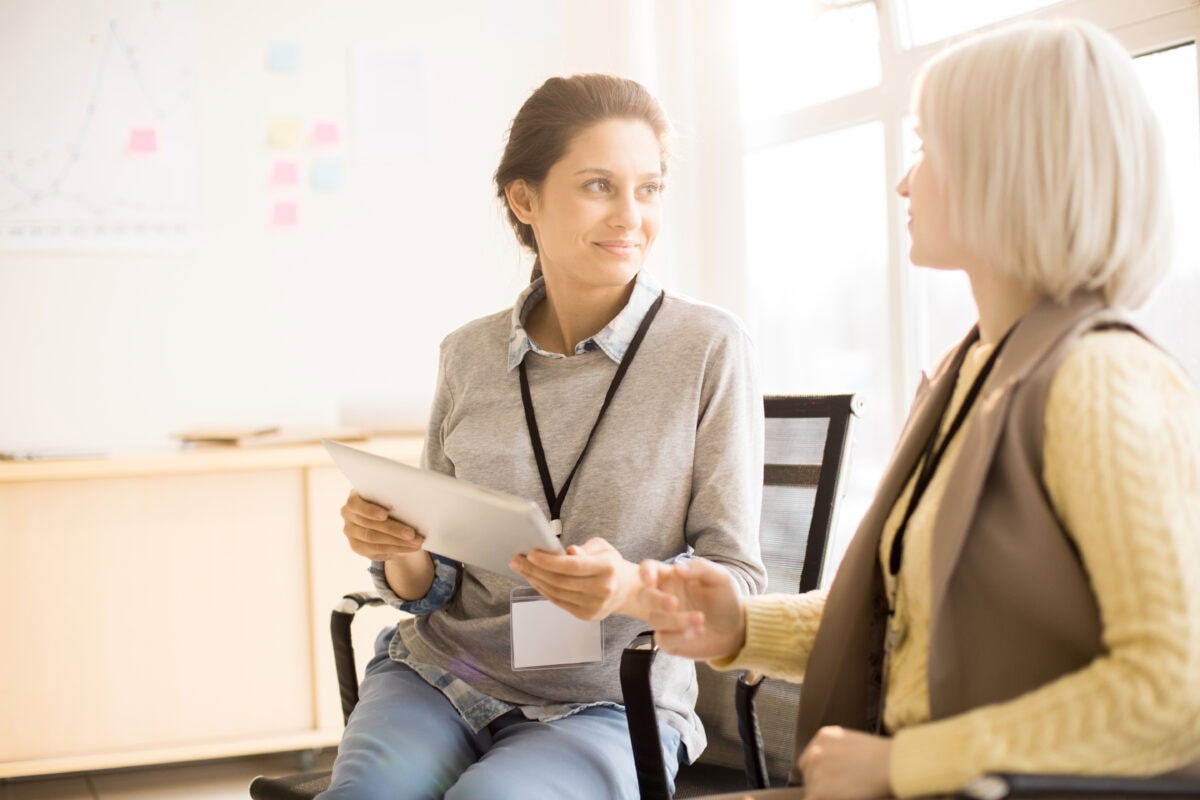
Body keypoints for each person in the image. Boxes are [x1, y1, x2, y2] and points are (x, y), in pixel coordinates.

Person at [640, 18, 1200, 800]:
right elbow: (897, 620)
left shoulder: (1100, 379)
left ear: (1007, 166)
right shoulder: (970, 371)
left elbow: (1175, 698)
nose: (905, 182)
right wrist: (743, 625)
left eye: (926, 147)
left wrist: (911, 762)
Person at [321, 73, 767, 800]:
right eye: (599, 185)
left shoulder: (708, 348)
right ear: (523, 200)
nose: (632, 217)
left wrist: (627, 589)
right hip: (446, 674)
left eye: (648, 188)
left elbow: (740, 578)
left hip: (609, 701)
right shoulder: (467, 354)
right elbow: (433, 588)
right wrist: (399, 550)